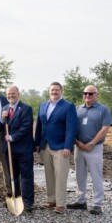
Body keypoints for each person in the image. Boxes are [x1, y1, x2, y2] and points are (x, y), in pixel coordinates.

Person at [67, 85, 112, 215]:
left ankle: (97, 204)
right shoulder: (77, 109)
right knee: (79, 175)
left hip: (95, 148)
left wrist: (92, 143)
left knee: (96, 176)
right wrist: (77, 142)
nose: (87, 95)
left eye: (91, 94)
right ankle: (81, 201)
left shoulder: (103, 110)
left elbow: (105, 129)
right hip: (79, 147)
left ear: (96, 95)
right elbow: (72, 127)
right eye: (85, 93)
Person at [34, 82, 77, 214]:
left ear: (61, 91)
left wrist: (68, 146)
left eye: (56, 90)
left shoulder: (68, 106)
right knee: (49, 174)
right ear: (49, 91)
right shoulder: (43, 105)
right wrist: (37, 143)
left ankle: (60, 204)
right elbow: (39, 126)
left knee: (60, 175)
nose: (54, 92)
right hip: (45, 145)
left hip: (60, 146)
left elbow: (71, 128)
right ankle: (51, 200)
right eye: (52, 90)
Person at [0, 86, 35, 212]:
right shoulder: (4, 108)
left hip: (24, 149)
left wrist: (12, 137)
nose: (10, 96)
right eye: (9, 94)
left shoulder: (26, 109)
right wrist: (2, 118)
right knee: (12, 175)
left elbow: (26, 127)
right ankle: (16, 197)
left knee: (26, 176)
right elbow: (0, 125)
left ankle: (28, 201)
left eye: (13, 93)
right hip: (10, 150)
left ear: (18, 94)